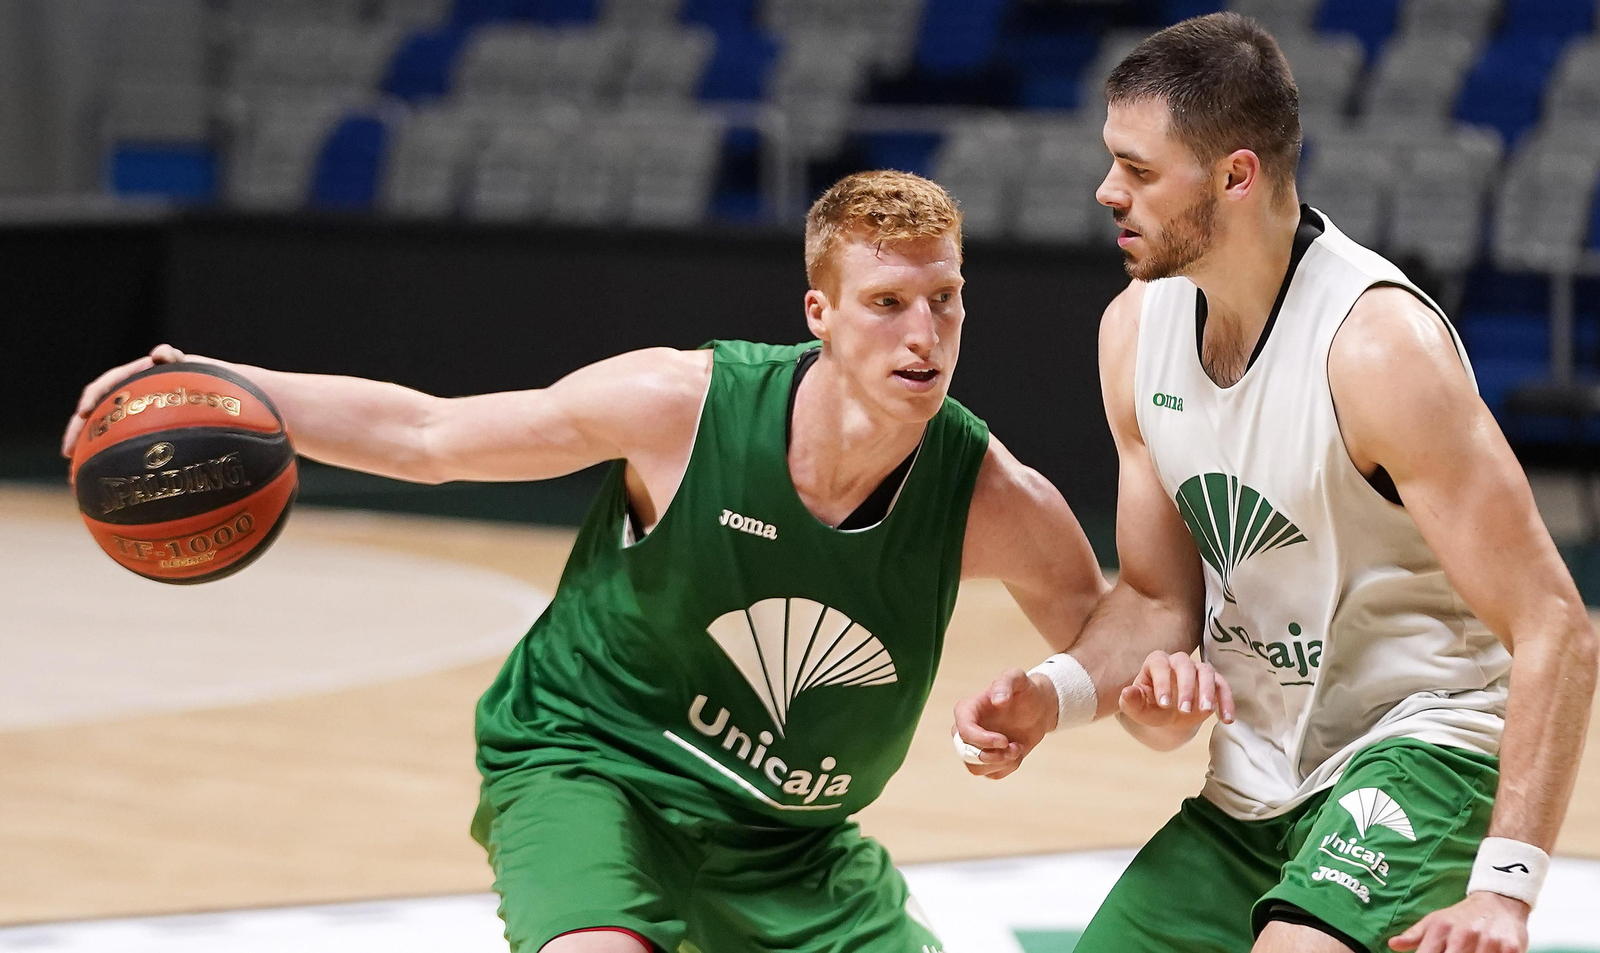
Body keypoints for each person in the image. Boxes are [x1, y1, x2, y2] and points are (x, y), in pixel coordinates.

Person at [64, 171, 1108, 953]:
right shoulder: (679, 408)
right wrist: (219, 381)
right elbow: (427, 438)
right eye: (887, 303)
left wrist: (1070, 692)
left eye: (946, 299)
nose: (924, 332)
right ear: (820, 314)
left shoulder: (995, 499)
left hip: (789, 841)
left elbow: (1123, 647)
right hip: (593, 763)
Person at [952, 14, 1597, 953]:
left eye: (1137, 170)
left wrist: (1505, 887)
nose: (1105, 191)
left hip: (1418, 748)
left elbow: (1555, 627)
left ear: (1236, 176)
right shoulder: (1133, 333)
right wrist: (1054, 694)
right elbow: (1154, 601)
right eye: (1110, 162)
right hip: (1255, 778)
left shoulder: (1378, 350)